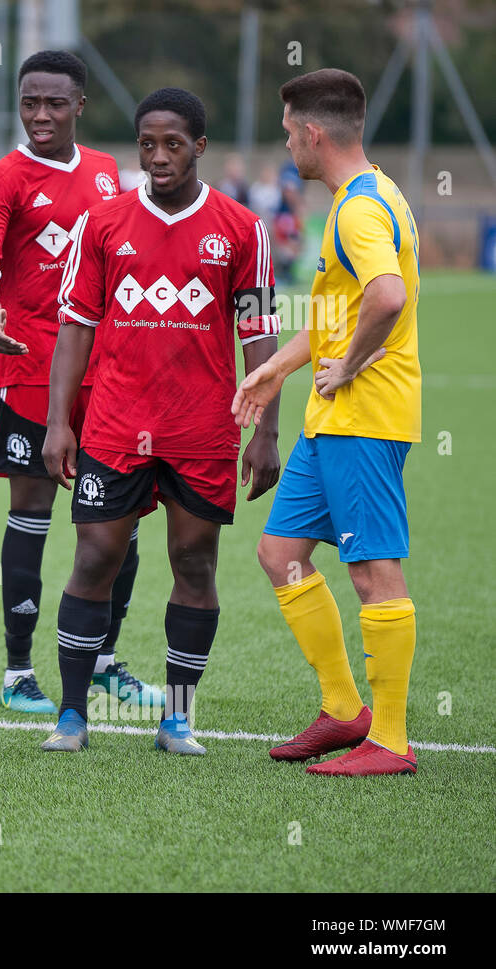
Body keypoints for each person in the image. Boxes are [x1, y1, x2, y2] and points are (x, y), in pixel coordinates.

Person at [41, 87, 282, 754]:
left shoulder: (242, 229)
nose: (158, 156)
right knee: (94, 556)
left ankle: (177, 718)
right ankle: (71, 714)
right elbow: (74, 329)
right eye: (147, 143)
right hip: (116, 424)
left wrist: (265, 431)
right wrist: (59, 421)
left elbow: (260, 336)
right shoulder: (104, 223)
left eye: (173, 143)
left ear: (200, 146)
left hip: (203, 427)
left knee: (194, 564)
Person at [0, 49, 160, 716]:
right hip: (25, 367)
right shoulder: (2, 179)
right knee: (34, 509)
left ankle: (103, 660)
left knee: (118, 516)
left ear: (79, 105)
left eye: (53, 103)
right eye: (29, 103)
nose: (40, 114)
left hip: (103, 373)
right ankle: (19, 671)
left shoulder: (108, 175)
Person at [233, 68, 421, 776]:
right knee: (280, 553)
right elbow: (340, 311)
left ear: (314, 133)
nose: (287, 145)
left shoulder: (358, 210)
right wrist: (277, 368)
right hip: (328, 418)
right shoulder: (363, 195)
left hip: (364, 417)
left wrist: (348, 369)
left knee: (374, 571)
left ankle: (393, 739)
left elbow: (387, 295)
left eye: (288, 133)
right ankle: (345, 710)